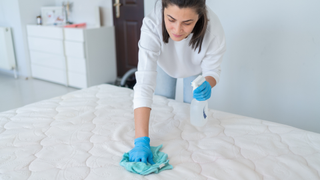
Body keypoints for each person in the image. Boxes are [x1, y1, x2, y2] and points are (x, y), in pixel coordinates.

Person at [129, 0, 226, 165]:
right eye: (171, 19)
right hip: (164, 65)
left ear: (200, 16)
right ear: (163, 10)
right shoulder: (152, 24)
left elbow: (212, 71)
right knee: (163, 105)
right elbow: (144, 84)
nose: (177, 30)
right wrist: (141, 141)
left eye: (187, 23)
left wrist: (208, 83)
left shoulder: (213, 30)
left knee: (192, 120)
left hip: (195, 70)